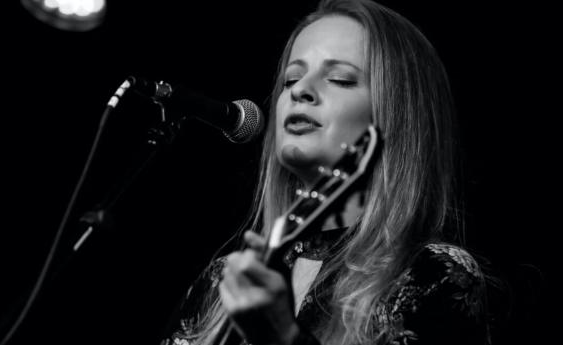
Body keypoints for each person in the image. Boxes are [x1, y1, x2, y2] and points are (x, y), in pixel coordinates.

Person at [161, 0, 490, 344]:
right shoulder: (221, 282)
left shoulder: (432, 275)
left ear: (397, 116)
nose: (300, 90)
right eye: (290, 79)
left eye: (339, 79)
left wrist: (283, 336)